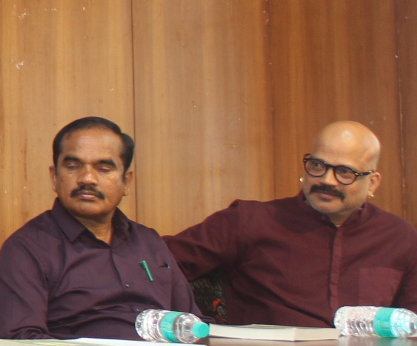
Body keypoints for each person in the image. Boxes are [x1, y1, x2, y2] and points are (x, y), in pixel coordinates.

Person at [166, 120, 417, 327]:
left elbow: (412, 321)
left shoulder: (399, 237)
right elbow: (157, 265)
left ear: (372, 183)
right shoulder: (249, 220)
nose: (327, 180)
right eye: (317, 165)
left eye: (344, 172)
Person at [0, 116, 195, 340]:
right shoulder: (27, 248)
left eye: (104, 168)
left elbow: (192, 325)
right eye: (73, 167)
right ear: (54, 178)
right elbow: (21, 339)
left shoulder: (149, 241)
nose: (87, 179)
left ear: (126, 182)